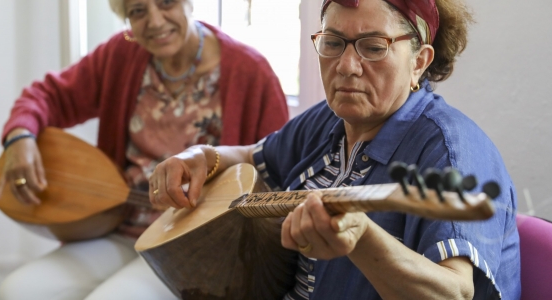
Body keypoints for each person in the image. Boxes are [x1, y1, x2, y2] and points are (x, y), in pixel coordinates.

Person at [150, 0, 520, 299]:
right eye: (332, 43)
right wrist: (200, 156)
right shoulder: (328, 121)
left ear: (419, 62)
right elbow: (252, 157)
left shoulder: (451, 150)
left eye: (374, 47)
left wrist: (360, 236)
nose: (345, 66)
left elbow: (454, 293)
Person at [0, 0, 289, 299]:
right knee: (17, 291)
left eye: (166, 3)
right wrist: (20, 137)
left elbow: (280, 165)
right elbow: (47, 95)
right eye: (137, 11)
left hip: (191, 246)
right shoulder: (120, 54)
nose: (155, 21)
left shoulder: (251, 72)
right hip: (118, 230)